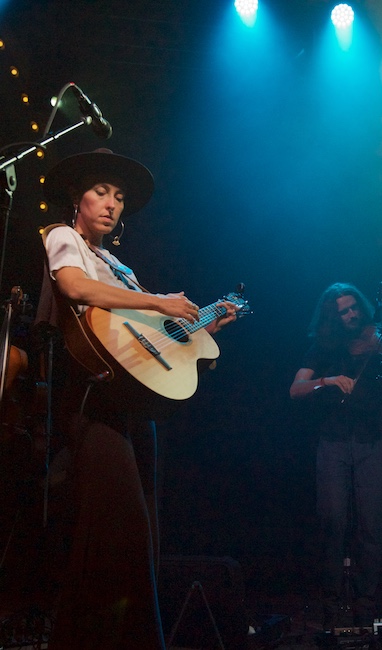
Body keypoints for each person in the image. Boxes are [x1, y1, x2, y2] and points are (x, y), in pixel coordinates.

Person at [35, 148, 238, 649]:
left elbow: (151, 334)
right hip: (93, 400)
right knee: (116, 525)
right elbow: (76, 287)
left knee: (142, 526)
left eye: (119, 197)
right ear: (76, 199)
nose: (111, 204)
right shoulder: (64, 238)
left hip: (133, 403)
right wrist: (156, 300)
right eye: (101, 192)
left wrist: (202, 326)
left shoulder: (119, 265)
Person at [290, 283, 382, 630]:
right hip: (332, 444)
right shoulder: (323, 347)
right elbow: (296, 389)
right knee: (332, 522)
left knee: (372, 526)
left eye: (353, 308)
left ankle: (365, 604)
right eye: (343, 312)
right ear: (332, 316)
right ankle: (330, 605)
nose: (351, 315)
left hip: (373, 443)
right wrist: (327, 381)